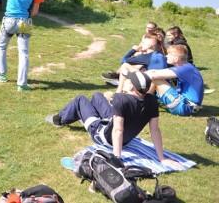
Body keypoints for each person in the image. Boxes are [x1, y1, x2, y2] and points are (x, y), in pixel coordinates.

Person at [45, 71, 182, 169]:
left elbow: (118, 130)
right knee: (97, 96)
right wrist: (161, 158)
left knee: (80, 100)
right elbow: (155, 130)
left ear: (131, 87)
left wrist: (117, 158)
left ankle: (59, 119)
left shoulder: (120, 99)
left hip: (103, 135)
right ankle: (79, 115)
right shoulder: (151, 100)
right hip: (124, 137)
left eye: (128, 81)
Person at [146, 45, 204, 116]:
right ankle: (147, 101)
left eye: (169, 54)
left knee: (156, 79)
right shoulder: (186, 67)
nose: (166, 56)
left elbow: (153, 75)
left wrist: (136, 76)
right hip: (187, 106)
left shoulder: (185, 69)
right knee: (157, 78)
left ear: (176, 59)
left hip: (185, 107)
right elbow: (155, 71)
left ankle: (144, 102)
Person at [102, 34, 168, 85]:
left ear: (149, 46)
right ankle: (117, 78)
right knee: (141, 65)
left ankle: (119, 83)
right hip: (164, 83)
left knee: (125, 65)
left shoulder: (146, 57)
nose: (141, 44)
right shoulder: (160, 55)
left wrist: (133, 50)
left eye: (143, 43)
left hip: (151, 85)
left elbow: (123, 60)